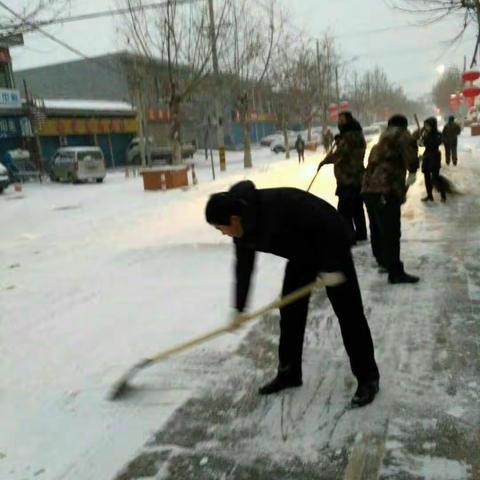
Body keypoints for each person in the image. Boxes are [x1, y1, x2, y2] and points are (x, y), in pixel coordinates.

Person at [205, 180, 380, 408]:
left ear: (234, 220)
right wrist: (239, 309)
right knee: (290, 310)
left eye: (221, 228)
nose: (222, 233)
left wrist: (330, 267)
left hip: (330, 238)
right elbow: (244, 268)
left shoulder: (272, 210)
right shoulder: (241, 229)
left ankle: (368, 379)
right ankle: (289, 372)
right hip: (301, 250)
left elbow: (323, 224)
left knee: (349, 313)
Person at [362, 114, 420, 284]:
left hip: (368, 190)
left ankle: (383, 262)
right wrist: (414, 170)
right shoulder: (403, 136)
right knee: (391, 232)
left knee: (377, 228)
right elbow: (411, 161)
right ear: (404, 125)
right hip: (386, 190)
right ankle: (395, 272)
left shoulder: (380, 142)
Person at [318, 111, 367, 245]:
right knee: (357, 208)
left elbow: (340, 155)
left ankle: (349, 237)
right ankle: (361, 234)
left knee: (344, 211)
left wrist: (325, 161)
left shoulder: (349, 136)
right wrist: (340, 140)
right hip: (357, 177)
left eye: (342, 120)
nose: (339, 122)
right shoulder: (356, 134)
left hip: (348, 178)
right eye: (338, 120)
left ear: (348, 121)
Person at [420, 117, 446, 202]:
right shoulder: (425, 133)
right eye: (425, 125)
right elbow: (423, 144)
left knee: (435, 177)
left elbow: (436, 143)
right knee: (426, 177)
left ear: (432, 125)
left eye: (427, 125)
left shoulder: (438, 134)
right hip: (427, 155)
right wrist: (420, 143)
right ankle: (429, 195)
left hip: (434, 156)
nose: (426, 127)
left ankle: (443, 195)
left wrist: (424, 142)